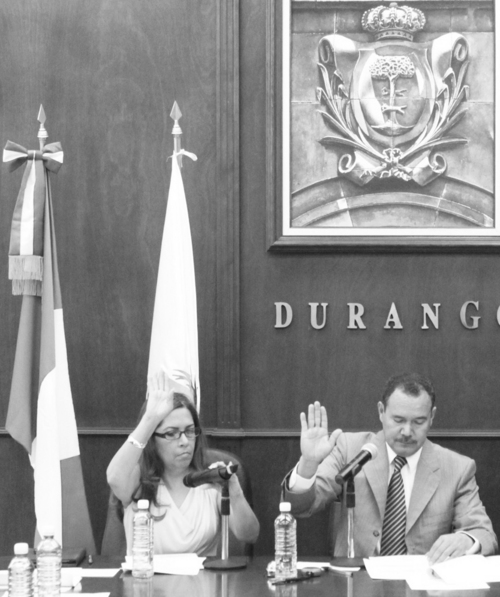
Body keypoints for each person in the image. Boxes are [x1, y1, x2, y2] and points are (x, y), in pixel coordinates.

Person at [282, 372, 497, 564]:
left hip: (422, 584)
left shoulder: (457, 468)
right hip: (357, 581)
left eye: (418, 422)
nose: (407, 431)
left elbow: (484, 534)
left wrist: (465, 539)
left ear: (432, 417)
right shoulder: (351, 450)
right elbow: (300, 507)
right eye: (398, 420)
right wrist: (309, 462)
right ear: (381, 411)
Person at [107, 371, 260, 556]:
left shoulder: (210, 481)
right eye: (171, 433)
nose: (184, 441)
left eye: (189, 431)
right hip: (146, 574)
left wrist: (234, 492)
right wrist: (150, 419)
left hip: (203, 575)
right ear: (152, 439)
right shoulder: (136, 482)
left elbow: (249, 535)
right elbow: (114, 477)